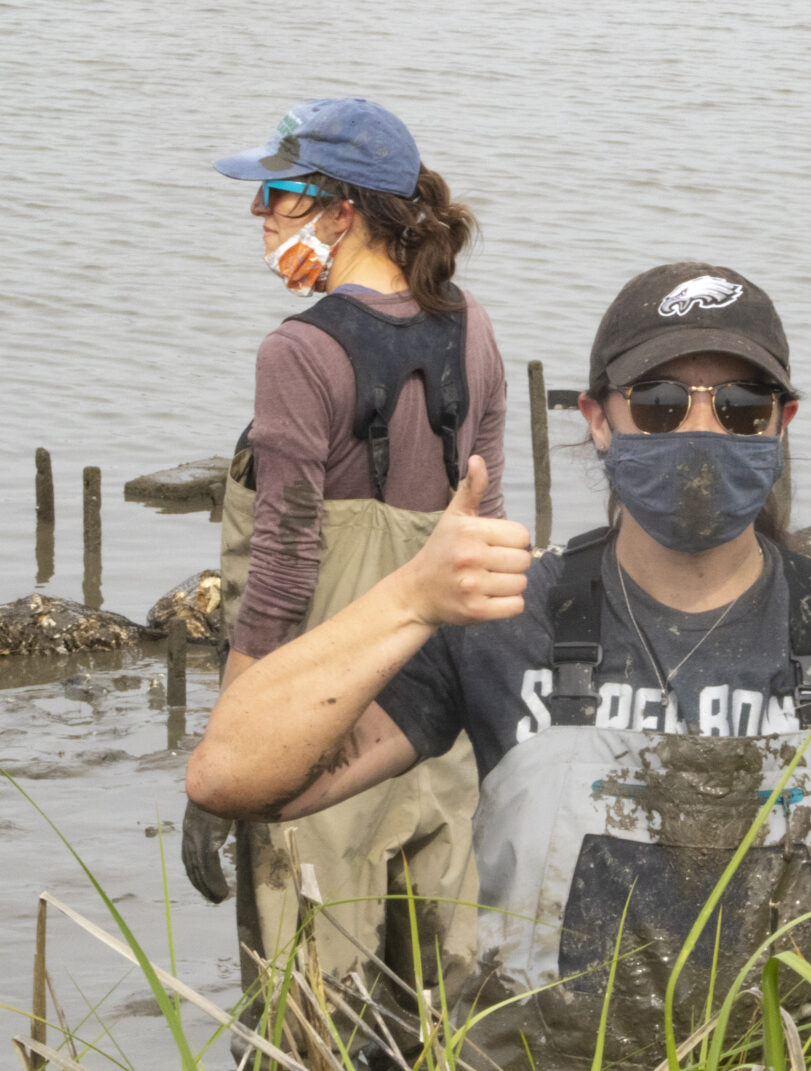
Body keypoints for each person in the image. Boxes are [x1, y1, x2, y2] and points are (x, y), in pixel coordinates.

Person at [187, 262, 811, 1069]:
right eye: (658, 402)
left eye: (741, 407)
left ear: (782, 422)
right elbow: (233, 774)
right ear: (598, 419)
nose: (699, 432)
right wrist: (406, 599)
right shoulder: (507, 622)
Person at [180, 97, 507, 1051]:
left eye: (278, 194)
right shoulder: (474, 329)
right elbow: (485, 538)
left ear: (342, 211)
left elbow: (282, 575)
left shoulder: (299, 351)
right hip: (435, 732)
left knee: (309, 1025)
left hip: (318, 736)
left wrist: (227, 763)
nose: (259, 215)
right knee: (443, 1019)